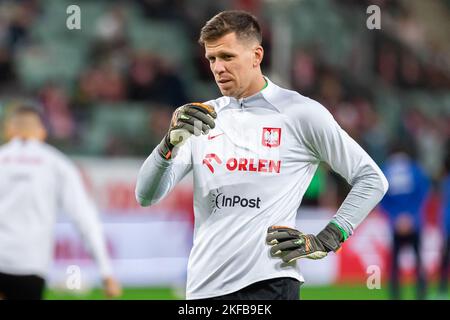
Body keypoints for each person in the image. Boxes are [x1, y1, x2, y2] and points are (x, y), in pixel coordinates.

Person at [136, 10, 388, 300]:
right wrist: (169, 144)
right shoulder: (201, 118)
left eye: (227, 57)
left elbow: (372, 179)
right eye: (212, 59)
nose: (218, 68)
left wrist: (329, 238)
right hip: (202, 289)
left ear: (256, 56)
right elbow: (146, 195)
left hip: (270, 284)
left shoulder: (300, 113)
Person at [0, 105, 122, 300]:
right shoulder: (56, 163)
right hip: (30, 264)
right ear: (41, 132)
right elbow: (85, 219)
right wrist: (106, 272)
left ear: (10, 130)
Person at [380, 141, 430, 300]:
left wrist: (396, 218)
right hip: (414, 223)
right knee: (418, 260)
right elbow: (423, 195)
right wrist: (411, 217)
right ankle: (421, 294)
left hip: (396, 225)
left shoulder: (386, 170)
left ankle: (395, 295)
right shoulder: (415, 169)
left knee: (394, 263)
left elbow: (381, 198)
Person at [438, 139, 450, 298]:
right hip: (447, 225)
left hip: (447, 225)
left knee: (445, 258)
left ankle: (442, 288)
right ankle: (441, 287)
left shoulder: (445, 183)